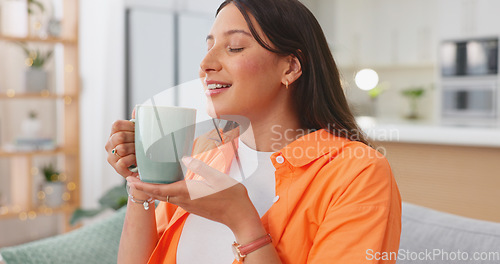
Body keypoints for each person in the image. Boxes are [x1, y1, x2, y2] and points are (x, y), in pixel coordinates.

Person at [105, 0, 402, 263]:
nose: (205, 65)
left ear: (290, 68)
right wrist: (142, 185)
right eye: (209, 47)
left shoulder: (358, 173)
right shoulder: (203, 151)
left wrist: (242, 221)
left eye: (234, 47)